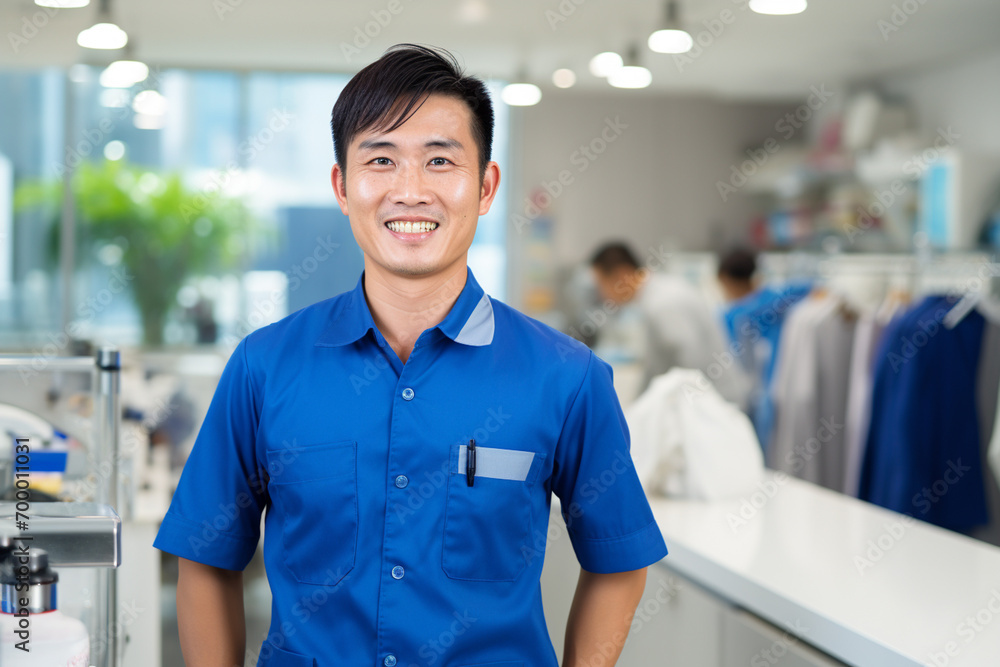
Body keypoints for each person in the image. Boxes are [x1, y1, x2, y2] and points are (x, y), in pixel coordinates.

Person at [153, 45, 668, 667]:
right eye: (380, 159)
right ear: (343, 187)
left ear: (485, 187)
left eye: (440, 160)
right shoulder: (264, 367)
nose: (411, 190)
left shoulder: (566, 376)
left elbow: (617, 558)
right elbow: (207, 558)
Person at [589, 242, 750, 406]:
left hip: (719, 406)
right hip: (709, 404)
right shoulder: (658, 295)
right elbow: (657, 368)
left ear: (621, 275)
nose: (602, 295)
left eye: (600, 285)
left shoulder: (662, 304)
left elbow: (690, 368)